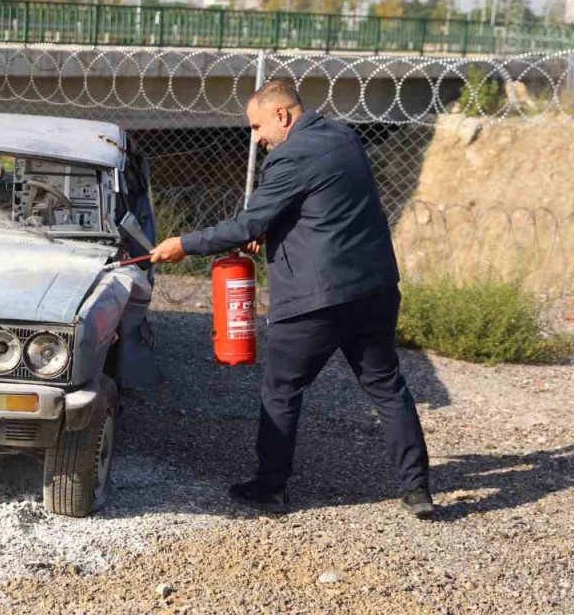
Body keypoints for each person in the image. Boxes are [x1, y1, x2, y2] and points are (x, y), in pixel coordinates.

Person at [149, 80, 434, 518]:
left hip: (316, 298)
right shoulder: (344, 137)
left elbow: (246, 224)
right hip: (375, 289)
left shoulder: (290, 155)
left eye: (258, 126)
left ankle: (270, 488)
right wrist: (274, 229)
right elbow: (326, 208)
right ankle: (417, 491)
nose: (256, 138)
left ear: (282, 115)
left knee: (281, 389)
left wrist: (183, 244)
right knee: (386, 386)